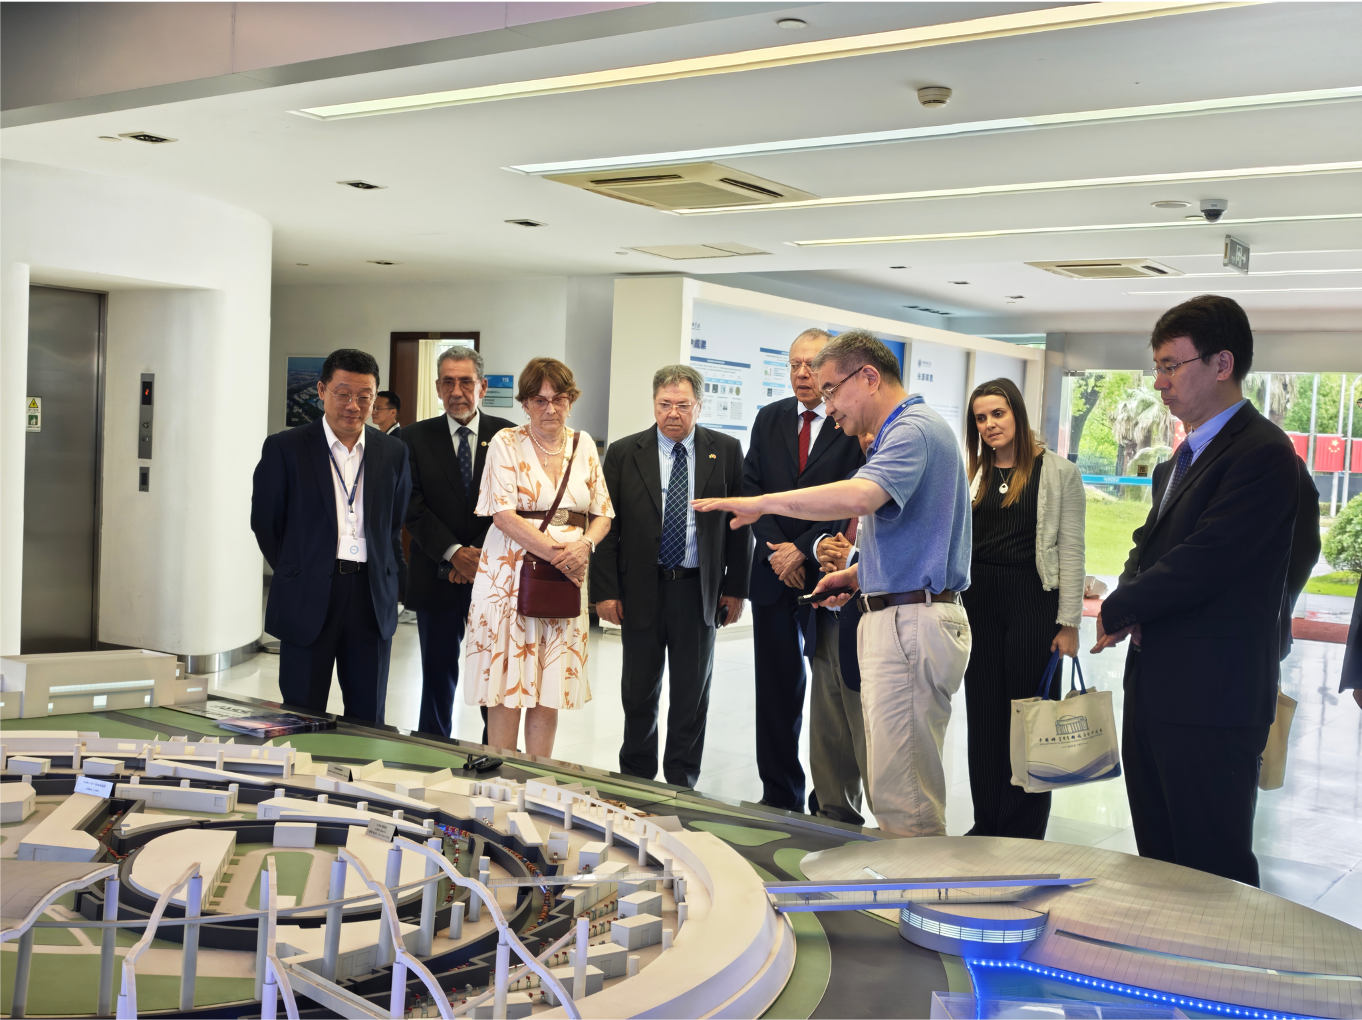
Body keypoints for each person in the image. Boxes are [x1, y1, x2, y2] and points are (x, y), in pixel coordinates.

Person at [696, 329, 972, 837]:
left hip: (912, 620)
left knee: (905, 797)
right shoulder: (906, 429)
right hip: (898, 609)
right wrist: (857, 574)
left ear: (868, 378)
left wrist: (764, 503)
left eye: (830, 390)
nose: (827, 406)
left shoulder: (911, 429)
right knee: (895, 788)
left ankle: (914, 886)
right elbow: (912, 537)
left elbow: (860, 497)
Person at [1091, 294, 1300, 887]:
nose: (1160, 382)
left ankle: (1222, 955)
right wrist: (1129, 589)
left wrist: (1121, 605)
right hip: (1157, 687)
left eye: (1171, 365)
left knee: (1212, 870)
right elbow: (1147, 546)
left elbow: (1207, 559)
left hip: (1213, 697)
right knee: (1160, 861)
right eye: (1156, 367)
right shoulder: (1181, 458)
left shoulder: (1263, 453)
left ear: (1222, 363)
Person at [592, 365, 751, 789]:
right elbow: (606, 525)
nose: (673, 413)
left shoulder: (726, 450)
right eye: (665, 404)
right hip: (640, 590)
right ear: (654, 404)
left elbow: (741, 526)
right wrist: (605, 591)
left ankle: (682, 781)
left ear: (699, 405)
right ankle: (636, 778)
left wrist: (736, 589)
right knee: (637, 693)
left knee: (691, 696)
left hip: (698, 591)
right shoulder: (625, 452)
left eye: (683, 405)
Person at [463, 357, 614, 758]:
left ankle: (538, 776)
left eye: (559, 399)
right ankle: (501, 778)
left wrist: (584, 546)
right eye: (540, 400)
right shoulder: (505, 442)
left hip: (567, 577)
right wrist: (557, 556)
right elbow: (502, 514)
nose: (550, 408)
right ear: (525, 403)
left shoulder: (584, 446)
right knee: (507, 683)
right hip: (509, 577)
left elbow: (603, 513)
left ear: (571, 401)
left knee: (549, 685)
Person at [251, 348, 411, 723]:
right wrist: (298, 568)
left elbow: (392, 524)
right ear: (322, 391)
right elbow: (266, 522)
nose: (353, 405)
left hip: (370, 596)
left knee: (368, 717)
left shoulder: (393, 452)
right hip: (308, 594)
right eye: (343, 394)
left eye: (364, 396)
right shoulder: (286, 448)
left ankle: (361, 764)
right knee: (302, 713)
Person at [743, 328, 865, 812]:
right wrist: (779, 550)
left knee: (832, 696)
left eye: (811, 364)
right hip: (773, 574)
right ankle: (779, 795)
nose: (801, 373)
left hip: (829, 576)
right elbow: (753, 488)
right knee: (775, 691)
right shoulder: (769, 418)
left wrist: (802, 549)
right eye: (794, 364)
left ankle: (831, 802)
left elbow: (854, 496)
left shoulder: (847, 422)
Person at [961, 377, 1085, 839]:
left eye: (998, 413)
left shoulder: (1057, 472)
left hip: (1033, 602)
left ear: (1017, 412)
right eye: (981, 418)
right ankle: (987, 823)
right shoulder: (974, 474)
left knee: (1030, 721)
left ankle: (1022, 832)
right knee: (984, 717)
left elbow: (1071, 551)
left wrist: (1069, 623)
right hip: (979, 603)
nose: (990, 424)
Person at [402, 348, 516, 740]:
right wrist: (454, 554)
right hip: (437, 573)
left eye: (465, 381)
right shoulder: (413, 438)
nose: (456, 391)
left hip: (495, 575)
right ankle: (433, 748)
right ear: (437, 387)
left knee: (493, 671)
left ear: (481, 386)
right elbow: (411, 506)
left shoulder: (509, 436)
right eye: (448, 382)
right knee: (437, 673)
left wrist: (478, 556)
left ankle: (493, 752)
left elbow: (514, 504)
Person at [806, 429, 876, 825]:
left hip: (873, 623)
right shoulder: (852, 479)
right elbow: (828, 527)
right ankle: (833, 819)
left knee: (868, 733)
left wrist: (852, 558)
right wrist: (823, 547)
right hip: (830, 620)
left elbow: (905, 555)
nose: (868, 438)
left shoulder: (905, 486)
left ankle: (891, 831)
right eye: (863, 433)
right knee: (828, 730)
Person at [371, 390, 408, 613]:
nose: (374, 412)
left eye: (379, 408)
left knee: (395, 556)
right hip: (381, 510)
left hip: (391, 511)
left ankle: (410, 605)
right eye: (373, 407)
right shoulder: (381, 437)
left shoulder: (397, 441)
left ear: (392, 413)